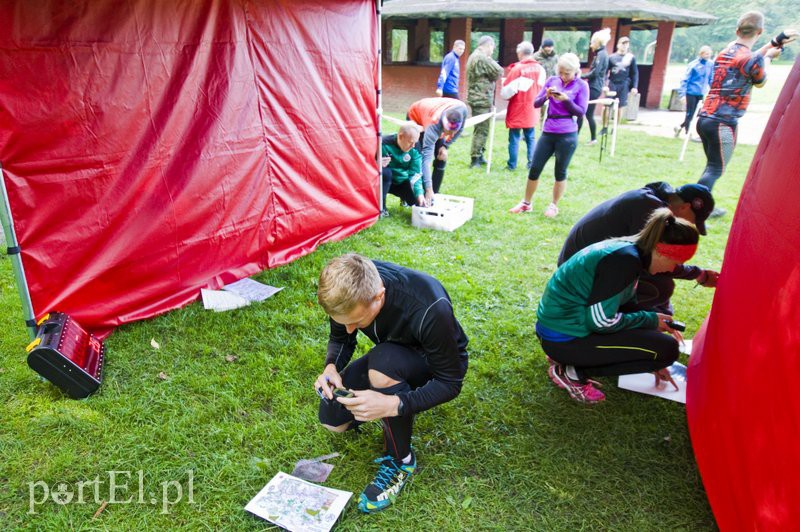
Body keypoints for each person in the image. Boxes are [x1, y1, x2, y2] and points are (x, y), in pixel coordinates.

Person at [315, 254, 469, 513]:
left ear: (379, 296)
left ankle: (401, 461)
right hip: (392, 351)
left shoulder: (430, 307)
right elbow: (342, 338)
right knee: (333, 421)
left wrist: (394, 404)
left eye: (357, 321)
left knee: (384, 363)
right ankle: (388, 391)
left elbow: (450, 381)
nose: (350, 329)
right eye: (345, 322)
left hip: (434, 363)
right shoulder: (347, 288)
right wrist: (332, 366)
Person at [537, 208, 700, 404]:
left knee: (657, 344)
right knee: (667, 349)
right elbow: (600, 321)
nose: (672, 269)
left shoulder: (628, 251)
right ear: (660, 251)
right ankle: (571, 372)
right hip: (564, 338)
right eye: (675, 262)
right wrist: (648, 325)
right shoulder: (624, 262)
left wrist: (648, 339)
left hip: (562, 331)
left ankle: (570, 360)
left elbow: (622, 307)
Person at [558, 182, 718, 314]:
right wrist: (699, 274)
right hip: (577, 274)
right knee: (661, 287)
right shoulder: (649, 210)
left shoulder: (652, 199)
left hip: (580, 264)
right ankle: (605, 317)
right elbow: (656, 261)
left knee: (658, 281)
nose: (690, 225)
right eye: (693, 221)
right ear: (685, 207)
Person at [696, 11, 788, 216]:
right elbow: (761, 81)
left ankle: (703, 206)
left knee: (711, 166)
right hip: (723, 123)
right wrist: (769, 58)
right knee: (715, 169)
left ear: (737, 30)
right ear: (760, 31)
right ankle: (695, 211)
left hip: (705, 119)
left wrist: (773, 43)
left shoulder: (726, 51)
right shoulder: (753, 60)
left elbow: (749, 58)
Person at [509, 53, 588, 218]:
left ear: (575, 71)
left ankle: (553, 205)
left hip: (567, 133)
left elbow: (581, 112)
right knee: (535, 167)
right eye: (561, 72)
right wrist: (546, 95)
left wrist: (566, 99)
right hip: (548, 131)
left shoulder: (581, 85)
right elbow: (536, 103)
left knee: (560, 171)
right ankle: (526, 203)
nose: (563, 76)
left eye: (567, 73)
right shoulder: (552, 80)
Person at [407, 97, 468, 205]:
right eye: (449, 131)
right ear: (443, 125)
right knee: (418, 158)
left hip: (437, 109)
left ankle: (434, 195)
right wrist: (428, 188)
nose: (452, 135)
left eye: (454, 131)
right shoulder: (433, 126)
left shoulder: (462, 109)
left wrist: (445, 145)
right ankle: (415, 196)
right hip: (416, 116)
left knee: (442, 155)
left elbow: (461, 129)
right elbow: (426, 160)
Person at [500, 41, 546, 171]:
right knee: (531, 137)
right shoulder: (540, 69)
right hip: (532, 108)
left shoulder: (517, 69)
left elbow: (505, 93)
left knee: (514, 138)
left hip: (518, 108)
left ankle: (512, 165)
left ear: (520, 53)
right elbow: (542, 88)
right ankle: (532, 163)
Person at [466, 35, 504, 168]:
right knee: (481, 130)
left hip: (477, 97)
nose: (492, 51)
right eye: (492, 48)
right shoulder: (482, 57)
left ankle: (480, 154)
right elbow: (499, 71)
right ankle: (475, 158)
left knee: (482, 129)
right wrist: (490, 59)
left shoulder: (473, 56)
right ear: (488, 45)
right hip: (481, 98)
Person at [381, 123, 425, 215]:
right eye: (410, 142)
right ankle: (381, 208)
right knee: (385, 173)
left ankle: (404, 198)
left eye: (415, 142)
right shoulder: (383, 143)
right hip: (384, 182)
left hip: (401, 181)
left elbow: (416, 174)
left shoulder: (415, 147)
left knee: (417, 202)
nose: (413, 146)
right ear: (400, 136)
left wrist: (419, 194)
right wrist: (377, 163)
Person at [580, 28, 611, 145]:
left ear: (598, 43)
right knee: (586, 113)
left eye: (592, 42)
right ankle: (591, 138)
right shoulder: (601, 54)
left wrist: (580, 76)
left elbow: (595, 73)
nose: (590, 45)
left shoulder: (601, 55)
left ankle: (592, 138)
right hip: (595, 86)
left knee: (585, 113)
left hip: (594, 87)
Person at [674, 46, 714, 137]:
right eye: (706, 54)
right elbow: (685, 80)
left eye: (709, 54)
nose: (708, 56)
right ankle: (688, 133)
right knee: (690, 113)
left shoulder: (710, 64)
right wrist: (682, 95)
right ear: (701, 54)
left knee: (696, 113)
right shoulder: (693, 65)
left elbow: (710, 79)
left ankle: (679, 127)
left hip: (701, 93)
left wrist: (713, 90)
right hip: (691, 92)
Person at [606, 36, 638, 117]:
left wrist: (634, 87)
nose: (624, 46)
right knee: (606, 106)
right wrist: (605, 84)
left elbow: (634, 73)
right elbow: (605, 72)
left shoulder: (631, 58)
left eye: (626, 44)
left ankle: (616, 127)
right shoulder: (611, 57)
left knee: (620, 107)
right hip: (612, 83)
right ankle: (605, 127)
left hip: (624, 84)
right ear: (618, 45)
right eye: (622, 44)